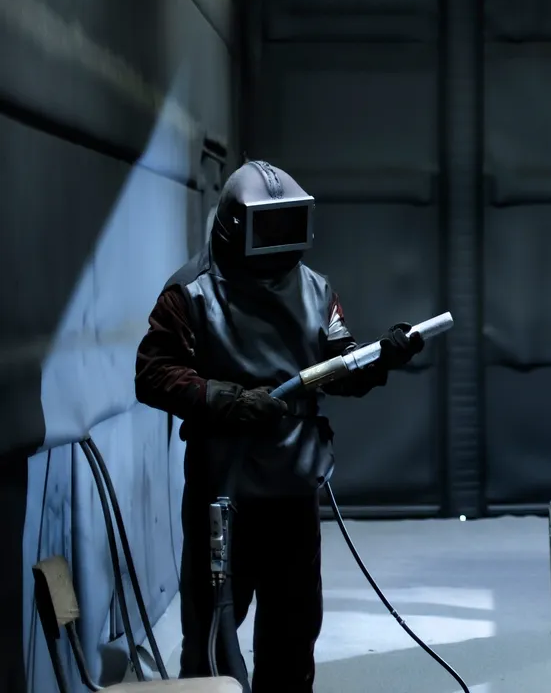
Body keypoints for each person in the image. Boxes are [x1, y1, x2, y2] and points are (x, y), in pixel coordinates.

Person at [134, 160, 425, 691]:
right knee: (211, 640)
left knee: (292, 636)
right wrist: (226, 398)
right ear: (233, 227)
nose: (278, 242)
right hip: (222, 495)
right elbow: (153, 374)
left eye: (287, 225)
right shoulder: (191, 293)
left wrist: (384, 357)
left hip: (292, 490)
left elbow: (341, 368)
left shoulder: (314, 289)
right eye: (267, 227)